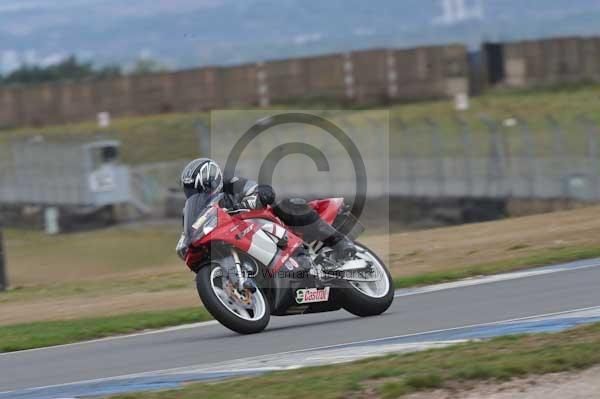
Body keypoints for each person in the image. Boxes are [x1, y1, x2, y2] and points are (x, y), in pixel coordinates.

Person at [175, 158, 355, 267]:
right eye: (190, 190)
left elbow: (254, 189)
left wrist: (255, 197)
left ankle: (339, 242)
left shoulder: (231, 184)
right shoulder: (191, 210)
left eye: (196, 188)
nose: (194, 193)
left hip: (264, 222)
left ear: (210, 180)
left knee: (288, 205)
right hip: (236, 238)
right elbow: (189, 230)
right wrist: (185, 243)